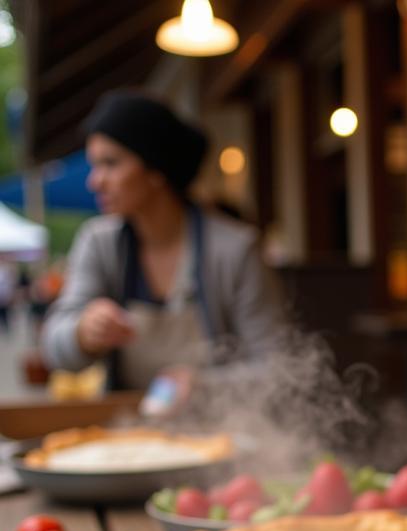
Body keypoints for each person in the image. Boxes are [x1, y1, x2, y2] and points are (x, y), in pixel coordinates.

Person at [41, 91, 289, 402]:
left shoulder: (236, 250)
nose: (95, 182)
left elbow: (278, 369)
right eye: (95, 165)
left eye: (110, 164)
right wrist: (82, 332)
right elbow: (54, 348)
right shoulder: (98, 243)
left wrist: (203, 388)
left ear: (156, 170)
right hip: (124, 432)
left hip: (222, 430)